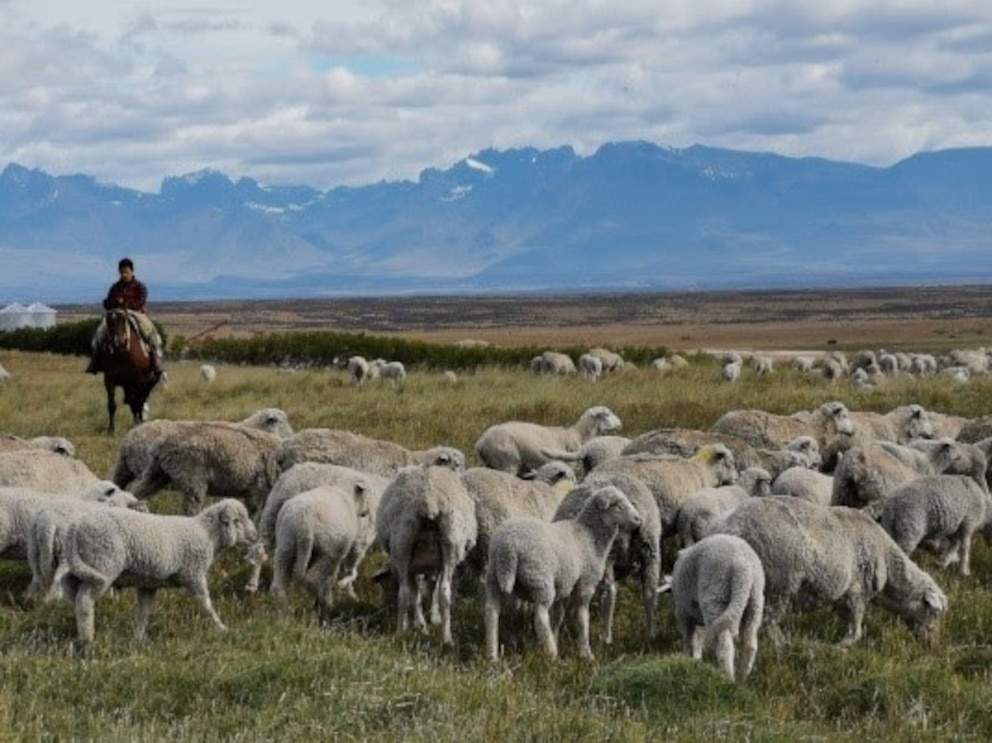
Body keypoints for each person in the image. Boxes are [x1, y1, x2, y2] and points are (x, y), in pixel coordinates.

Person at [85, 257, 165, 379]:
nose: (124, 274)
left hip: (136, 313)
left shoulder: (140, 286)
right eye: (122, 272)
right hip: (117, 314)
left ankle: (156, 361)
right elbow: (107, 303)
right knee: (100, 333)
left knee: (149, 330)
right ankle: (95, 361)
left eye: (126, 272)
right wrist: (113, 302)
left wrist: (126, 305)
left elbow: (140, 302)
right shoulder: (115, 287)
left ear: (132, 272)